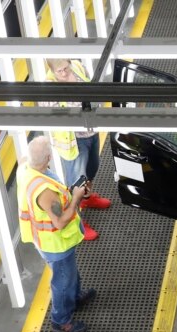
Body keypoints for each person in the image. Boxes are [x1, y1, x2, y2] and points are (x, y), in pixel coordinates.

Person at [17, 136, 96, 332]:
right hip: (55, 244)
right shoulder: (43, 191)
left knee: (69, 274)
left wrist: (71, 192)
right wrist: (77, 197)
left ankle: (75, 297)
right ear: (48, 157)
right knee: (62, 280)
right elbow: (60, 222)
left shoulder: (27, 168)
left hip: (53, 241)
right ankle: (60, 320)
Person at [44, 58, 112, 241]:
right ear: (52, 71)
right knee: (76, 185)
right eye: (60, 71)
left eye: (66, 68)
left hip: (91, 133)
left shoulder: (79, 67)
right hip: (74, 143)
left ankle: (88, 199)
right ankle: (78, 224)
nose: (65, 73)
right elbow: (53, 117)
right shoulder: (49, 89)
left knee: (92, 169)